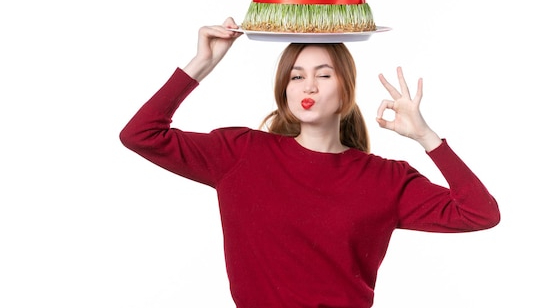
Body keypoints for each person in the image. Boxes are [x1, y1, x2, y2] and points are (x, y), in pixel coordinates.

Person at [120, 17, 500, 308]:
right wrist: (202, 63)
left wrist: (425, 137)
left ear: (346, 90)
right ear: (284, 89)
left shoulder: (387, 178)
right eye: (297, 76)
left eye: (324, 74)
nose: (309, 86)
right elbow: (141, 134)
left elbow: (480, 213)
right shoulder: (241, 153)